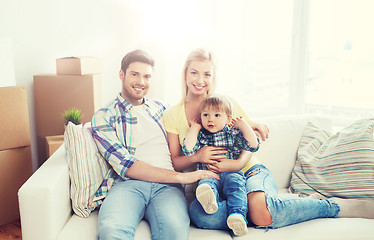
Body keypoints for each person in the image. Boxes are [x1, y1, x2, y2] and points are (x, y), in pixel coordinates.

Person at [162, 48, 374, 232]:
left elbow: (249, 139)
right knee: (199, 215)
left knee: (260, 214)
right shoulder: (173, 114)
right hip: (213, 183)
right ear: (185, 74)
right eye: (194, 73)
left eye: (207, 74)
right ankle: (255, 209)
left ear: (213, 77)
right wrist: (198, 156)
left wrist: (236, 163)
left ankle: (332, 206)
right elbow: (176, 161)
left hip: (249, 171)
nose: (200, 80)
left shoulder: (226, 104)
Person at [91, 49, 219, 240]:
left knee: (174, 231)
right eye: (134, 74)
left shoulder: (163, 109)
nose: (141, 82)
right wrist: (181, 178)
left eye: (146, 76)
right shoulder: (104, 116)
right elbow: (127, 165)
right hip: (128, 185)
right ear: (121, 75)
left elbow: (211, 117)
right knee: (111, 231)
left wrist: (248, 125)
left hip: (168, 189)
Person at [182, 94, 260, 236]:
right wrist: (195, 128)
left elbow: (253, 146)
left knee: (236, 186)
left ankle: (237, 215)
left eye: (217, 115)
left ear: (228, 119)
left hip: (231, 173)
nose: (210, 119)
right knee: (205, 184)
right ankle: (210, 201)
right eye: (206, 115)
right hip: (209, 173)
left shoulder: (233, 134)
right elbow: (188, 150)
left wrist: (244, 126)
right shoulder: (201, 136)